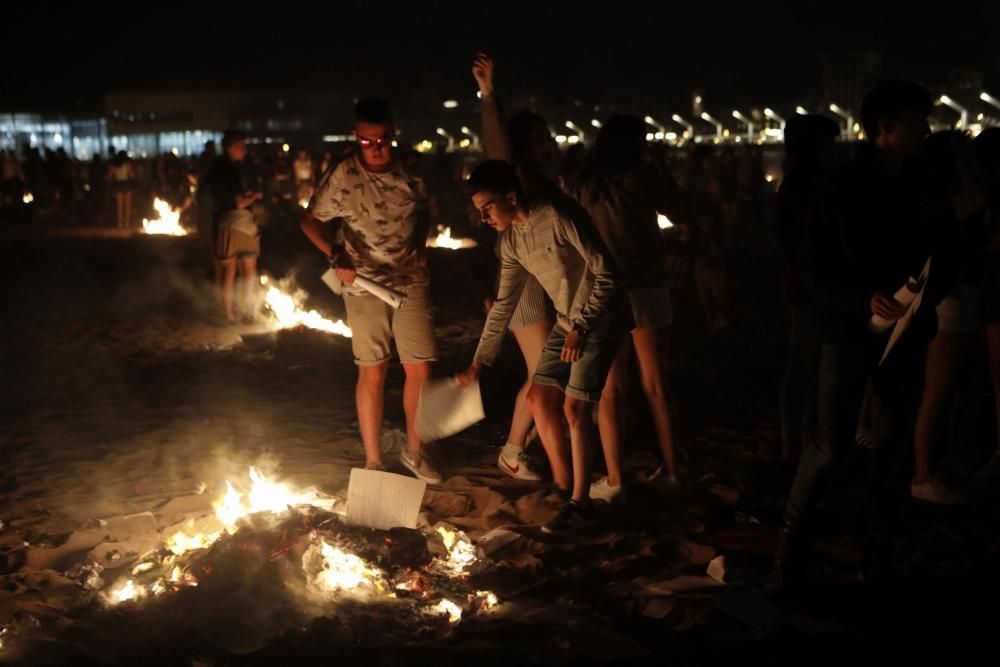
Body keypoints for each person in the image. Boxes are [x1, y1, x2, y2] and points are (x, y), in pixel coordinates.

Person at [770, 81, 958, 592]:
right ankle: (789, 556)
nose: (925, 128)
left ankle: (878, 558)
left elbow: (949, 252)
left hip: (910, 333)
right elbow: (813, 267)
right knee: (829, 447)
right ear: (884, 128)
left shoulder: (928, 185)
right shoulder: (843, 187)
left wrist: (932, 284)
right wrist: (862, 299)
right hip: (846, 331)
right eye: (915, 119)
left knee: (893, 451)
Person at [457, 160, 622, 533]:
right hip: (568, 321)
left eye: (488, 208)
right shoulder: (512, 241)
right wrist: (478, 362)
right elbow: (504, 304)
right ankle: (569, 486)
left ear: (511, 197)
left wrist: (582, 326)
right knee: (538, 397)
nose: (484, 218)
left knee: (575, 408)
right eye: (479, 211)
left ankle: (580, 504)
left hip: (601, 317)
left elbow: (606, 271)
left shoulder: (557, 214)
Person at [301, 97, 441, 484]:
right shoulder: (342, 174)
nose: (375, 148)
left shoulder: (412, 170)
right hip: (363, 284)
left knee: (421, 368)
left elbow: (426, 207)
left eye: (381, 140)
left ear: (393, 135)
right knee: (372, 370)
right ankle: (374, 461)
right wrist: (335, 255)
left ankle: (415, 451)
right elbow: (311, 221)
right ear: (356, 138)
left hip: (410, 279)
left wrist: (421, 238)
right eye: (366, 141)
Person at [569, 114, 682, 503]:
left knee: (611, 390)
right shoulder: (643, 176)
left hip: (607, 290)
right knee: (656, 384)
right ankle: (671, 472)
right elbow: (680, 210)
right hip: (648, 284)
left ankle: (616, 479)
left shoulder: (585, 182)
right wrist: (661, 163)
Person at [472, 52, 557, 482]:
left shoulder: (544, 183)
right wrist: (488, 95)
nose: (550, 145)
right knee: (542, 370)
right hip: (523, 287)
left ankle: (527, 442)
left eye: (550, 138)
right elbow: (497, 146)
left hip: (539, 283)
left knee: (546, 369)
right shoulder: (515, 179)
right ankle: (513, 449)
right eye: (541, 140)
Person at [776, 114, 841, 464]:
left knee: (805, 363)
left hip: (808, 285)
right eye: (828, 144)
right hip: (809, 288)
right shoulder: (803, 186)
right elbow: (796, 243)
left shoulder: (802, 183)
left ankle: (800, 439)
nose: (834, 150)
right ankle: (798, 442)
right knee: (804, 364)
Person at [203, 130, 262, 323]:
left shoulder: (215, 167)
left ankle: (227, 315)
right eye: (242, 147)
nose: (244, 151)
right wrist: (254, 196)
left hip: (224, 223)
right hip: (241, 224)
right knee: (249, 270)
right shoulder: (231, 168)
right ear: (232, 147)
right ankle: (250, 312)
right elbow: (239, 203)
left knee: (228, 271)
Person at [108, 150, 135, 229]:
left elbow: (110, 175)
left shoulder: (114, 165)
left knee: (119, 205)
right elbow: (132, 175)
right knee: (127, 205)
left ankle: (120, 223)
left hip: (117, 184)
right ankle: (126, 223)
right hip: (126, 184)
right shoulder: (127, 164)